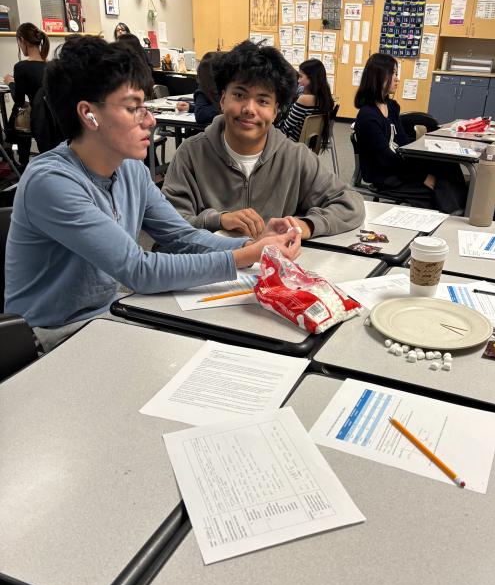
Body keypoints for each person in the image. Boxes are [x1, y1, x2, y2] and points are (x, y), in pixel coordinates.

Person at [4, 36, 301, 352]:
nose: (150, 119)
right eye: (133, 108)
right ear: (88, 114)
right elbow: (139, 270)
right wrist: (246, 256)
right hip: (49, 339)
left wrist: (252, 244)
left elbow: (181, 236)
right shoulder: (52, 181)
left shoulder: (129, 168)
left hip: (109, 315)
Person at [162, 40, 364, 239]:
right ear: (223, 100)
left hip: (275, 268)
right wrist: (219, 220)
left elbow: (350, 203)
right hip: (211, 266)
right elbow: (167, 223)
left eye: (262, 101)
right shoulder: (191, 153)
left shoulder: (295, 157)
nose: (250, 109)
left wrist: (302, 226)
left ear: (275, 111)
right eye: (239, 95)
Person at [353, 53, 466, 212]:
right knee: (436, 189)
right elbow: (387, 160)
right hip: (385, 175)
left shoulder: (391, 106)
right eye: (393, 74)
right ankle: (453, 213)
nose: (397, 78)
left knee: (447, 163)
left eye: (396, 74)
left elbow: (404, 143)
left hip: (398, 166)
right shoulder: (367, 116)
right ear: (379, 77)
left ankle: (460, 209)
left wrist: (427, 156)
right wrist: (422, 176)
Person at [3, 22, 49, 167]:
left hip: (36, 120)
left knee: (15, 117)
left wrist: (11, 82)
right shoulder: (51, 65)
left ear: (22, 40)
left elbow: (19, 101)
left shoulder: (21, 67)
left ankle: (19, 159)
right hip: (51, 120)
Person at [278, 58, 334, 146]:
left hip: (291, 144)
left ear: (312, 78)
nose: (298, 80)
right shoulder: (326, 99)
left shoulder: (304, 99)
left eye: (300, 76)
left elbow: (286, 129)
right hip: (307, 145)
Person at [175, 51, 221, 131]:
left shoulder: (225, 89)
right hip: (209, 135)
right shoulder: (203, 91)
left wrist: (192, 108)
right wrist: (227, 108)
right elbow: (201, 115)